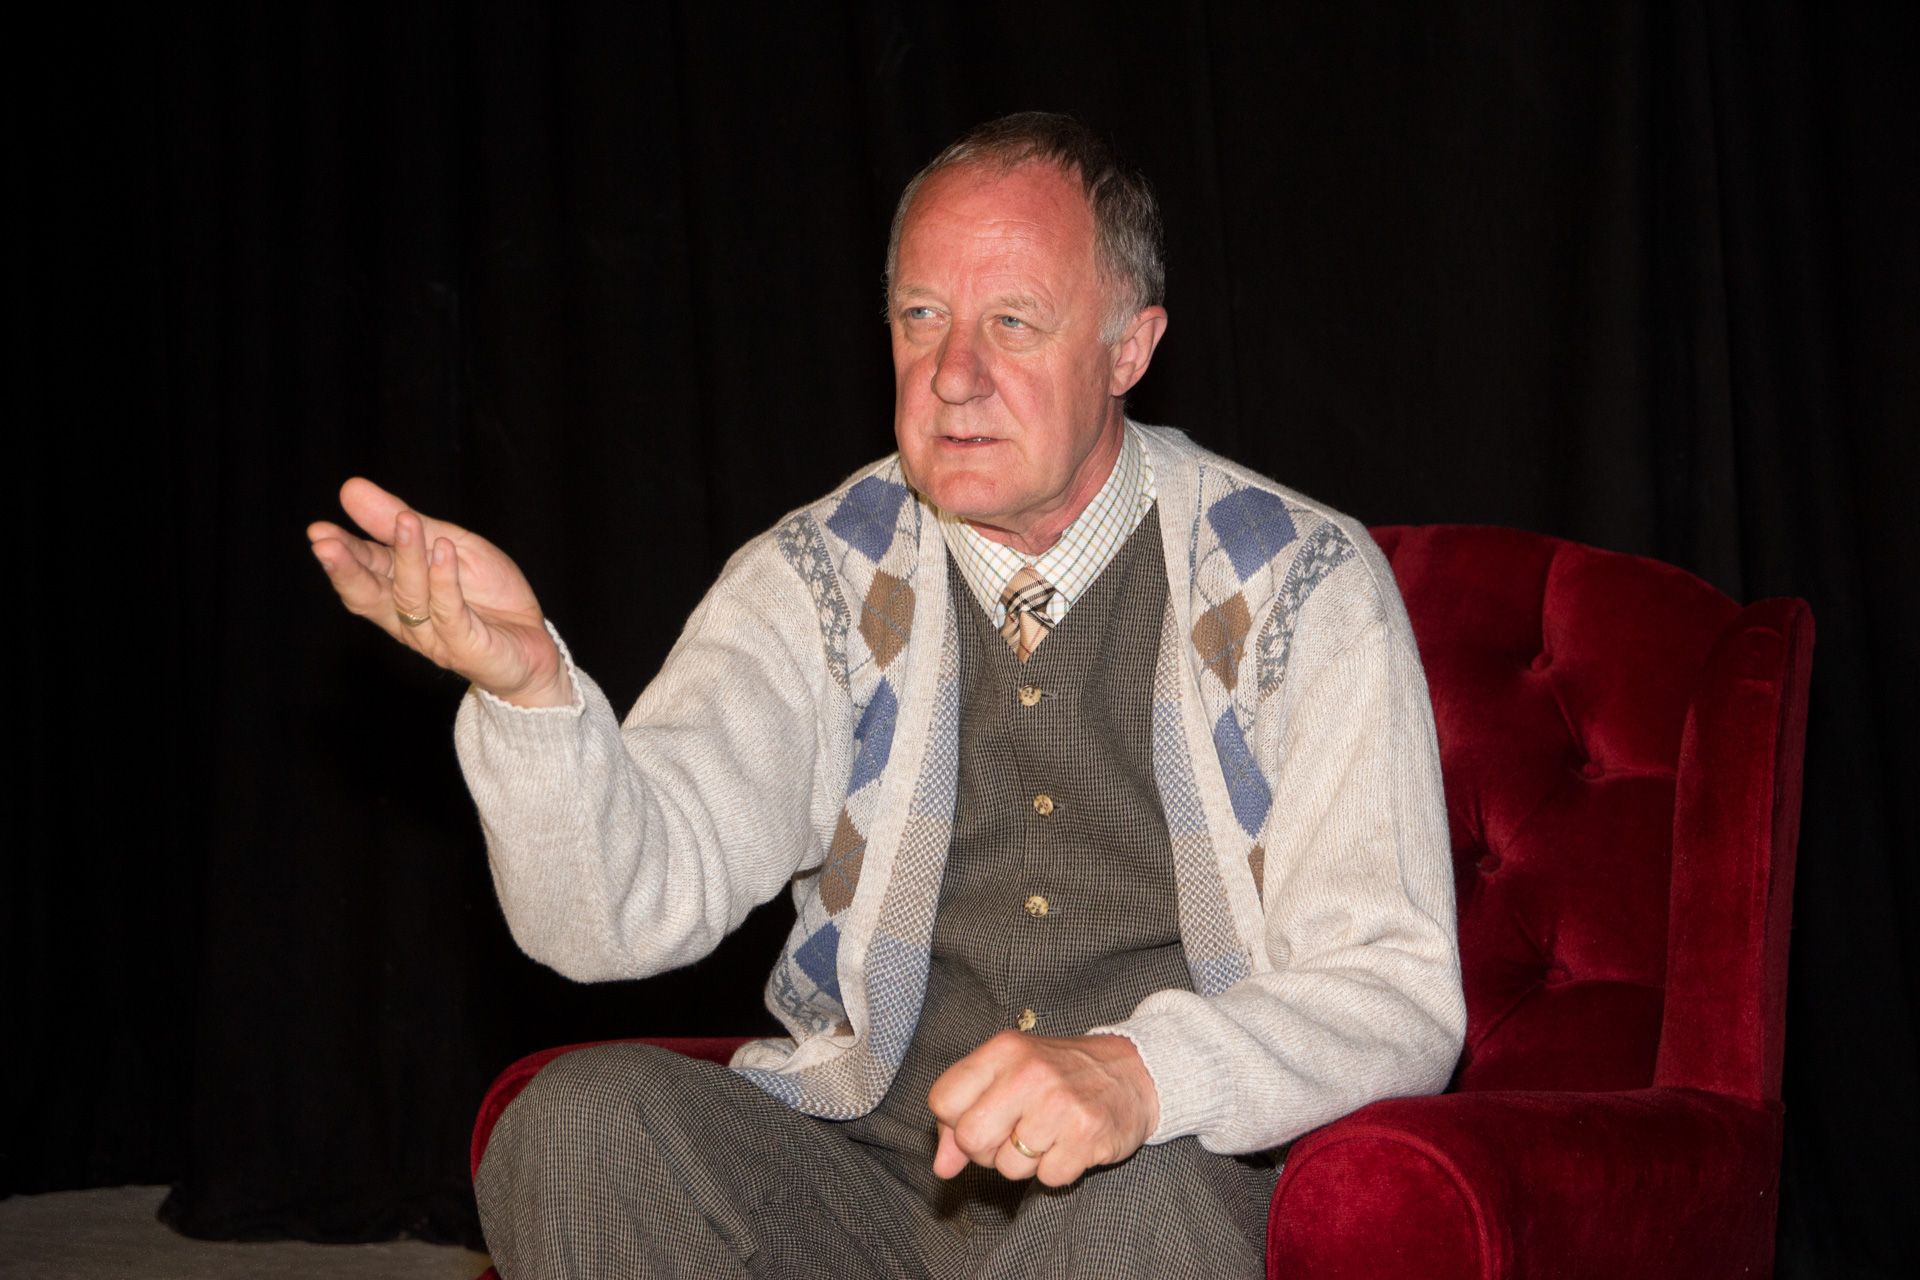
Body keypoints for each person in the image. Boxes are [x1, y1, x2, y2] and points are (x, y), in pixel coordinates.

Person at [309, 112, 1465, 1278]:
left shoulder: (1299, 580)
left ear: (1130, 347)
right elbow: (615, 912)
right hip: (863, 1171)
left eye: (1013, 322)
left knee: (1140, 1202)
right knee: (576, 1124)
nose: (955, 375)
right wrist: (531, 697)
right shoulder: (822, 573)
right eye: (921, 316)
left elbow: (1395, 991)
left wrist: (1138, 1072)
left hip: (1152, 1170)